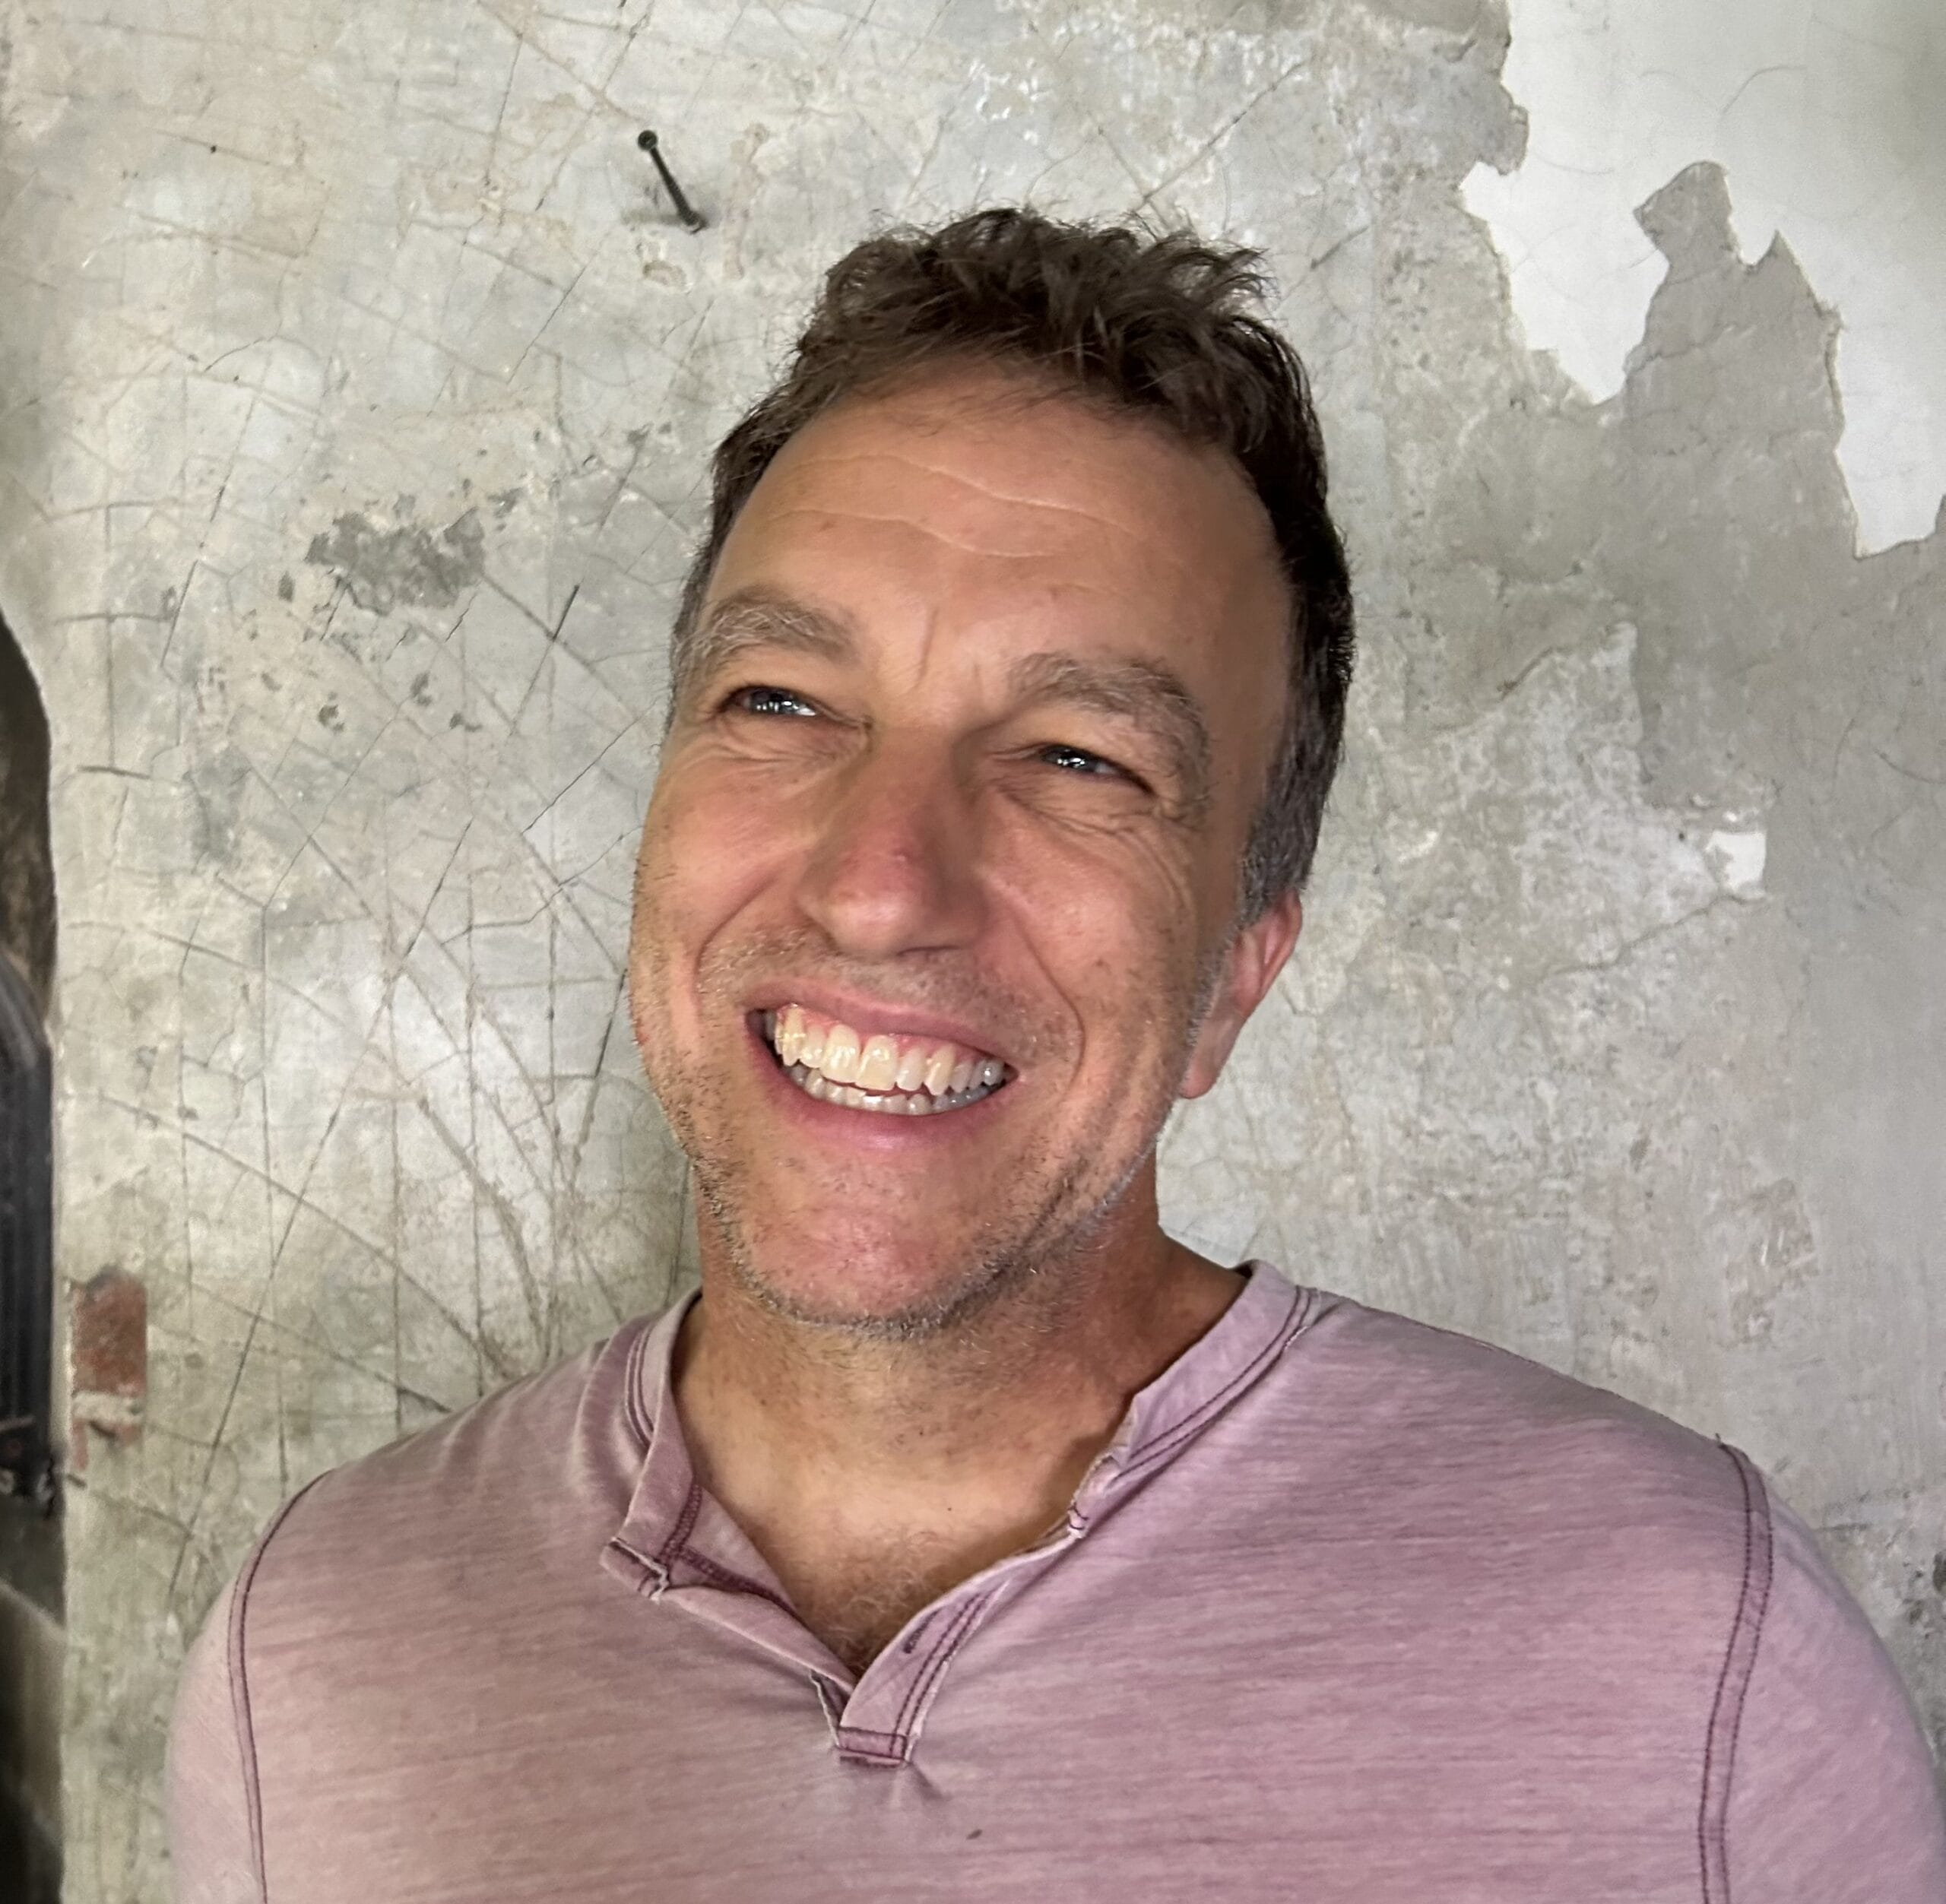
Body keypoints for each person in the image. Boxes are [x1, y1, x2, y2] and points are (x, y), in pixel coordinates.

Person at [166, 208, 1946, 1902]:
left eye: (1081, 757)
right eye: (779, 703)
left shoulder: (1693, 1656)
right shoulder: (318, 1645)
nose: (878, 887)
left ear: (1238, 967)